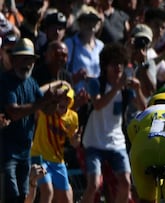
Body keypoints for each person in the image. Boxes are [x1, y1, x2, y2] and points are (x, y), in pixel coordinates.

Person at [0, 38, 69, 203]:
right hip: (6, 152)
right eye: (23, 58)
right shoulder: (6, 81)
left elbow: (46, 110)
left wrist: (54, 100)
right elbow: (14, 112)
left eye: (30, 59)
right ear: (14, 59)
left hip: (25, 152)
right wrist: (44, 101)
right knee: (11, 196)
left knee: (23, 196)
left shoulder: (31, 83)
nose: (27, 64)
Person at [80, 42, 146, 203]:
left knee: (125, 182)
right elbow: (97, 105)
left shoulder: (126, 88)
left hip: (116, 142)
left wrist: (138, 90)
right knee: (93, 185)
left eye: (121, 63)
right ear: (106, 65)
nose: (118, 67)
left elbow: (143, 109)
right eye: (113, 63)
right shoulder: (97, 83)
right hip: (94, 142)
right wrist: (117, 87)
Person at [28, 84, 81, 203]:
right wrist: (58, 83)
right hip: (39, 155)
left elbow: (73, 143)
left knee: (67, 198)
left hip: (58, 161)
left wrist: (76, 140)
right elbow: (37, 94)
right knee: (48, 191)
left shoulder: (73, 117)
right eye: (61, 98)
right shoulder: (45, 111)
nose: (63, 101)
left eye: (67, 99)